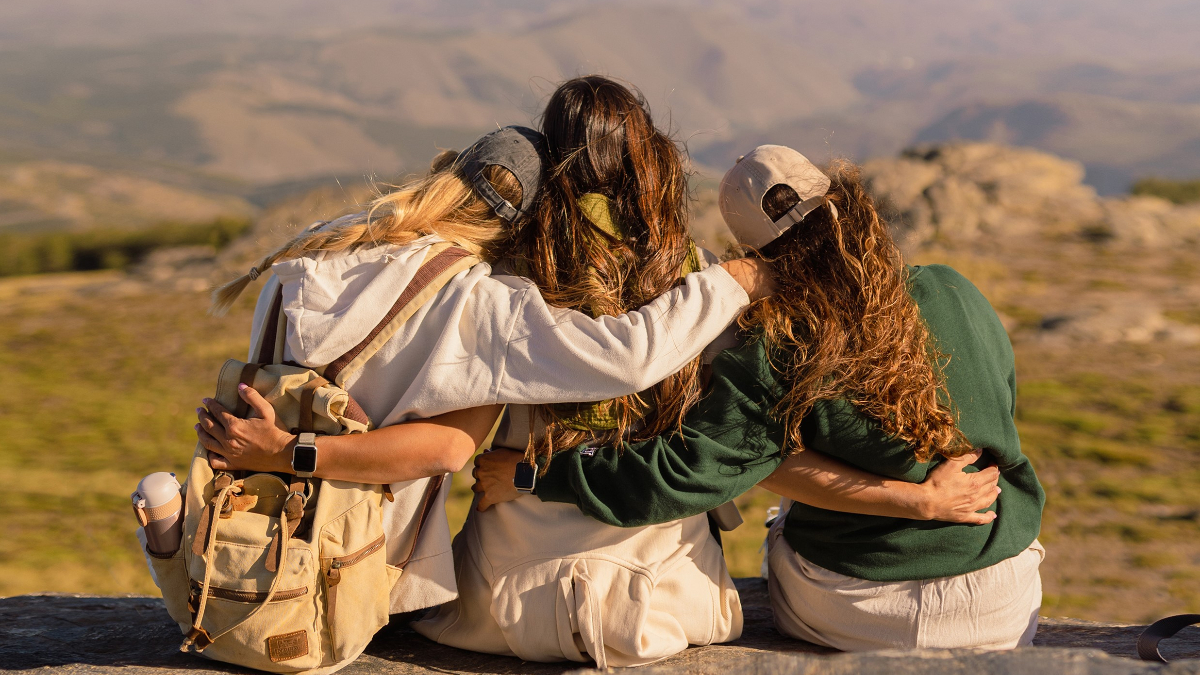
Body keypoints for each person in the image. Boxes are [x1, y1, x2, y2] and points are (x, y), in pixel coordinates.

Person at [473, 145, 1045, 652]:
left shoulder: (777, 346)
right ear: (849, 213)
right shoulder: (955, 289)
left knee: (772, 493)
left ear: (759, 257)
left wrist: (534, 477)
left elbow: (683, 475)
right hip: (1001, 601)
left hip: (860, 611)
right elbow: (999, 409)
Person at [194, 124, 770, 617]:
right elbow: (621, 361)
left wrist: (273, 450)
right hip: (353, 567)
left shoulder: (314, 254)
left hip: (251, 540)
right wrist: (733, 280)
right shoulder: (480, 301)